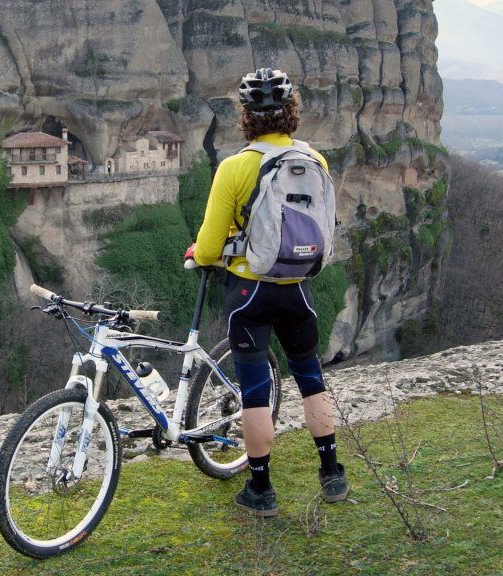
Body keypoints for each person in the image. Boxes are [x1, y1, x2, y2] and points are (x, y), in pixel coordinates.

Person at [185, 68, 348, 517]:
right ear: (291, 112)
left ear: (246, 118)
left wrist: (201, 255)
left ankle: (261, 489)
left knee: (256, 391)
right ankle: (332, 473)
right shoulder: (314, 159)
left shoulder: (235, 168)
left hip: (249, 293)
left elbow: (211, 245)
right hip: (298, 289)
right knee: (311, 380)